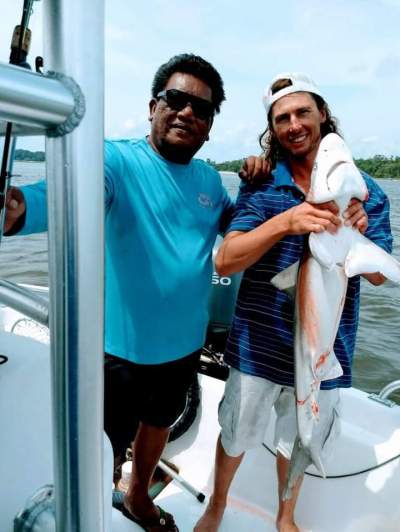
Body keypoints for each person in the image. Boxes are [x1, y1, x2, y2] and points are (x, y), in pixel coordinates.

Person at [3, 54, 267, 532]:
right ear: (153, 106)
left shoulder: (209, 179)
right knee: (99, 447)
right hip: (115, 351)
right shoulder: (115, 160)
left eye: (202, 109)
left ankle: (138, 494)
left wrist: (255, 184)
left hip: (184, 344)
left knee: (160, 423)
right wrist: (19, 209)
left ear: (210, 127)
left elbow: (239, 230)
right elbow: (64, 195)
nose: (188, 112)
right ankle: (99, 502)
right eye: (177, 99)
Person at [194, 72, 392, 532]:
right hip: (256, 346)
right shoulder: (262, 185)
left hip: (327, 351)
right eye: (282, 117)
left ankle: (286, 516)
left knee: (298, 440)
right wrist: (287, 222)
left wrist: (355, 232)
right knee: (236, 433)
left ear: (322, 113)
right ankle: (217, 505)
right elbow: (225, 261)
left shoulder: (366, 194)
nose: (294, 124)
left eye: (303, 111)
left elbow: (380, 275)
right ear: (272, 128)